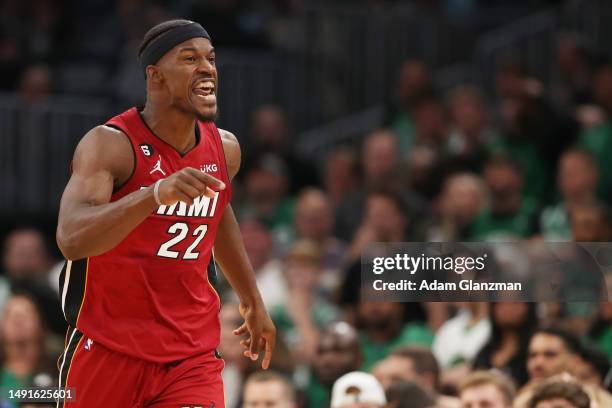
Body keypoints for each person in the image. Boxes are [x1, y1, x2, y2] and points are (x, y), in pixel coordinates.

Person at [54, 19, 276, 407]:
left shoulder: (225, 149)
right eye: (190, 59)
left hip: (190, 355)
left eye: (210, 59)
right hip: (108, 346)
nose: (206, 68)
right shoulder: (110, 145)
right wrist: (152, 195)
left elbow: (217, 214)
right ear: (155, 77)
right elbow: (72, 239)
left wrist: (251, 298)